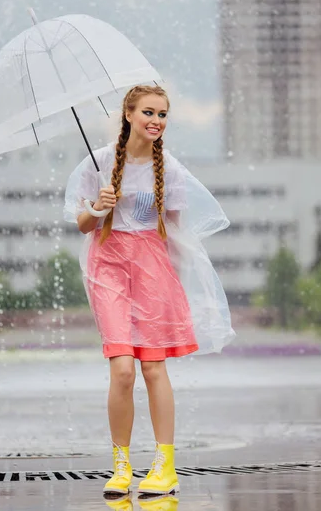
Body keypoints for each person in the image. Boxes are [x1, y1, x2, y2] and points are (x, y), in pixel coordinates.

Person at [64, 85, 235, 497]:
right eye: (148, 112)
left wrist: (177, 282)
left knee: (154, 368)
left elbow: (172, 231)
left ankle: (164, 466)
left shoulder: (170, 170)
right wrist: (100, 205)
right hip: (107, 266)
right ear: (128, 113)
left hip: (152, 268)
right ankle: (121, 465)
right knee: (122, 369)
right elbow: (82, 225)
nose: (156, 121)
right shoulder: (98, 162)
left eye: (163, 114)